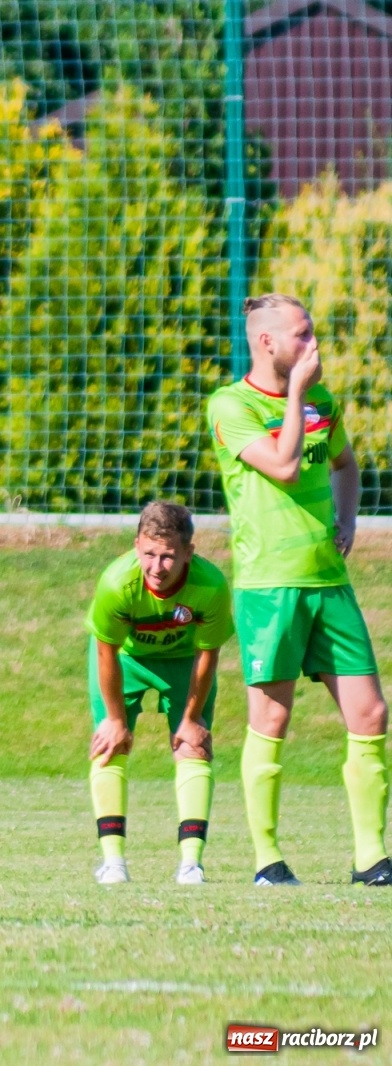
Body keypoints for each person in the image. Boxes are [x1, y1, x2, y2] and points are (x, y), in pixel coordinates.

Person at [208, 293, 390, 887]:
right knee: (272, 718)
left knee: (370, 713)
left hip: (328, 582)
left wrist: (348, 518)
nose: (314, 345)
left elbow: (345, 465)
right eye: (303, 335)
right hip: (270, 586)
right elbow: (284, 466)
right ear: (267, 342)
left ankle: (372, 860)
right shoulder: (230, 405)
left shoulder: (321, 401)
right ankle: (267, 861)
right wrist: (294, 396)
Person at [86, 501, 233, 886]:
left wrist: (191, 719)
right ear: (136, 545)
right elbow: (105, 652)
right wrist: (114, 719)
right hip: (126, 660)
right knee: (110, 744)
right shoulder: (117, 583)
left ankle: (191, 865)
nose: (156, 566)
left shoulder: (211, 586)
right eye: (149, 554)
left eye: (168, 556)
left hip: (184, 661)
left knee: (192, 746)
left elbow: (207, 655)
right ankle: (114, 863)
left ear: (188, 552)